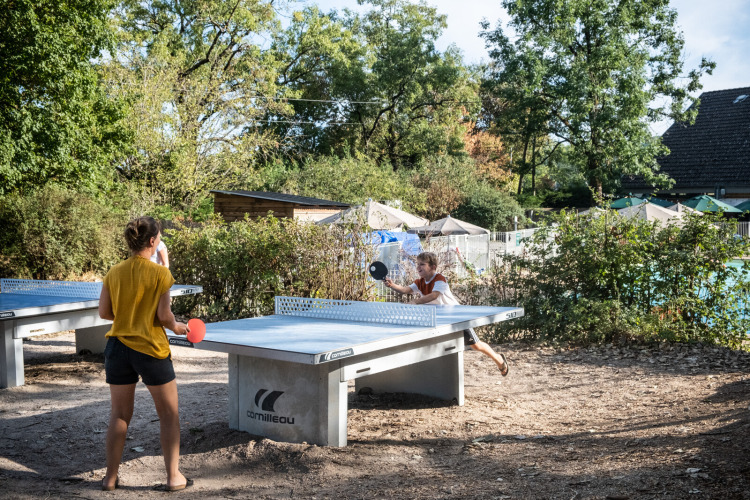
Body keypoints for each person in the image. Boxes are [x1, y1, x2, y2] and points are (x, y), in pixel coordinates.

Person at [98, 216, 193, 492]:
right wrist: (177, 326)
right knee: (169, 414)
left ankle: (110, 478)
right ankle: (173, 477)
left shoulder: (114, 272)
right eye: (159, 236)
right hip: (150, 348)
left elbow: (104, 312)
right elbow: (164, 316)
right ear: (152, 241)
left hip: (117, 347)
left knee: (119, 414)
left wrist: (129, 316)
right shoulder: (161, 274)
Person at [384, 251, 509, 376]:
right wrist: (392, 285)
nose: (418, 267)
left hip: (456, 317)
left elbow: (434, 295)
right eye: (417, 264)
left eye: (422, 264)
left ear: (433, 267)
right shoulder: (419, 282)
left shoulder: (440, 279)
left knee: (475, 345)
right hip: (438, 319)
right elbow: (405, 290)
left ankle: (498, 359)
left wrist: (415, 302)